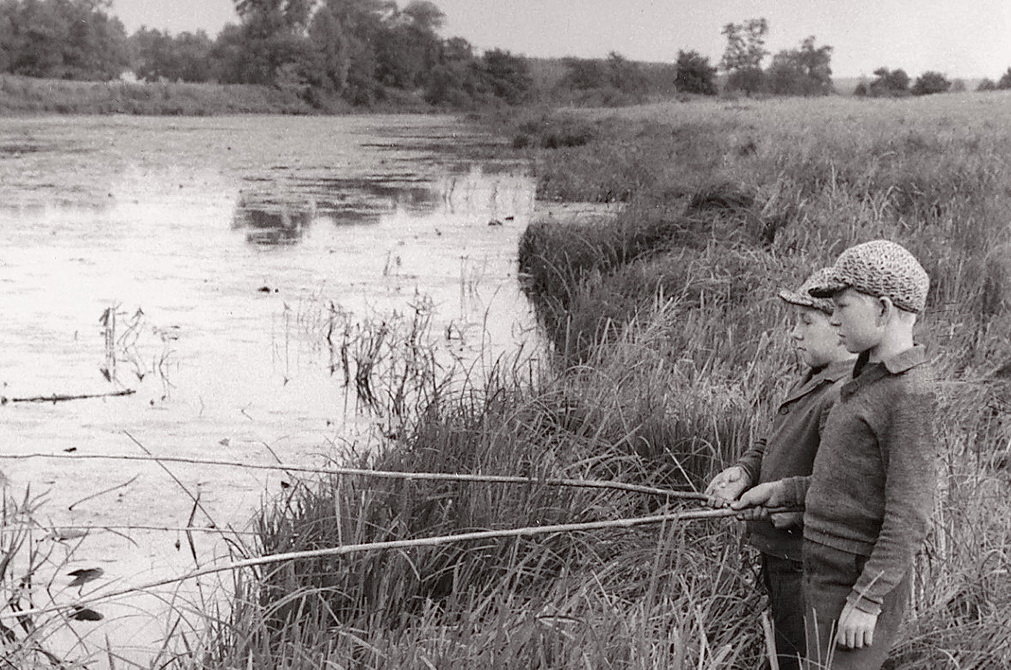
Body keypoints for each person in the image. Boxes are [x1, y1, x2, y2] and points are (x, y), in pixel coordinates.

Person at [733, 239, 936, 670]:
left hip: (855, 583)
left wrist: (866, 599)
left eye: (842, 306)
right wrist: (783, 491)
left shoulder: (908, 394)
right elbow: (848, 485)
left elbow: (909, 514)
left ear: (882, 309)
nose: (834, 318)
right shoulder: (864, 382)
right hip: (824, 573)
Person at [705, 267, 855, 670]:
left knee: (802, 659)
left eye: (806, 321)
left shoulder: (843, 397)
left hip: (806, 564)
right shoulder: (813, 377)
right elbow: (774, 439)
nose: (794, 333)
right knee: (786, 650)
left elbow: (839, 488)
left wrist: (777, 498)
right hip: (782, 554)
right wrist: (746, 472)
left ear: (841, 325)